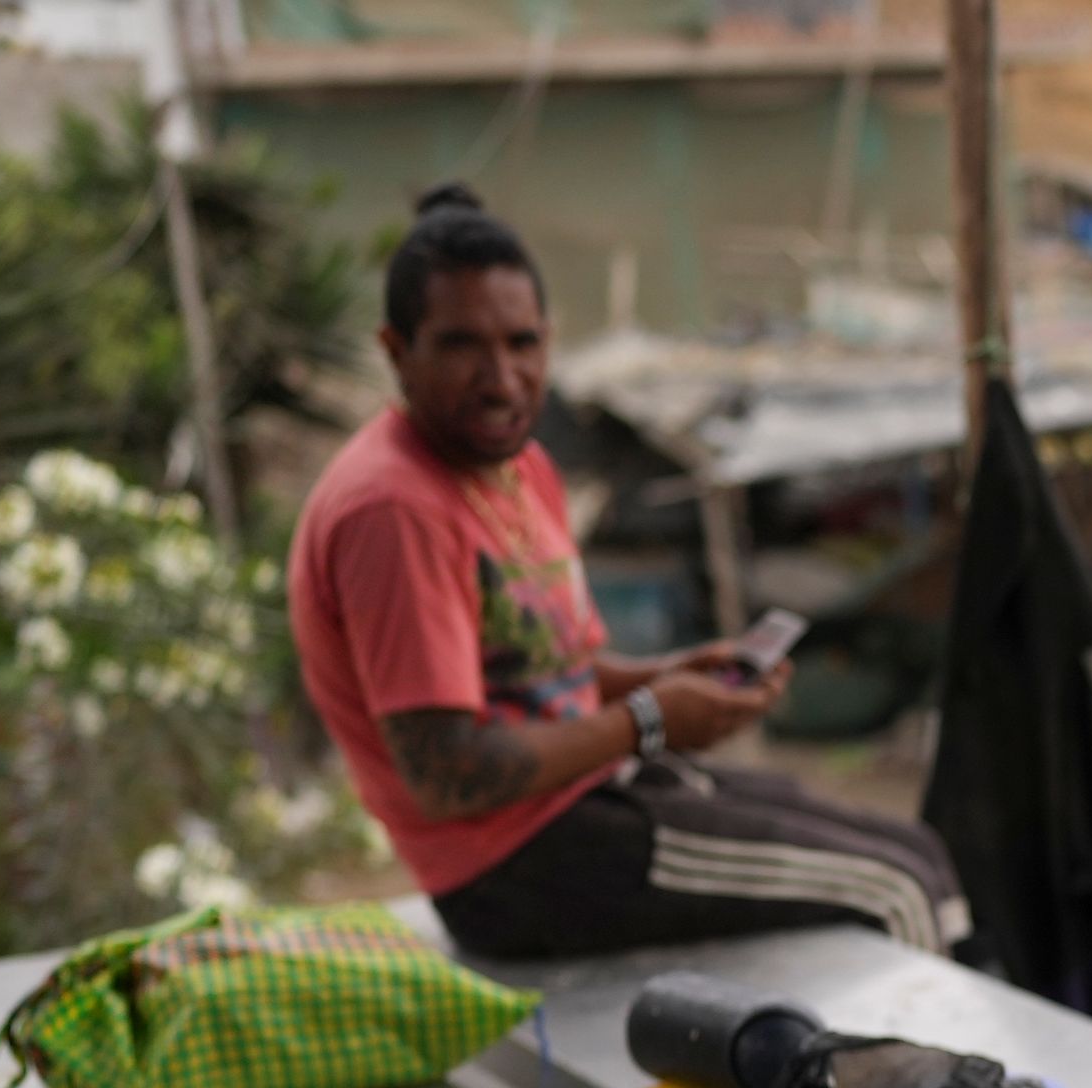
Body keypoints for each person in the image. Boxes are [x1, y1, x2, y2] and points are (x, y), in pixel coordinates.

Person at [289, 185, 969, 963]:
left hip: (594, 798)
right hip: (516, 867)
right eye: (461, 345)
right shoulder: (393, 509)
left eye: (521, 344)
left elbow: (541, 679)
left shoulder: (516, 464)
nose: (502, 378)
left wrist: (672, 676)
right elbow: (451, 774)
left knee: (916, 849)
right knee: (897, 891)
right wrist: (650, 718)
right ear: (396, 351)